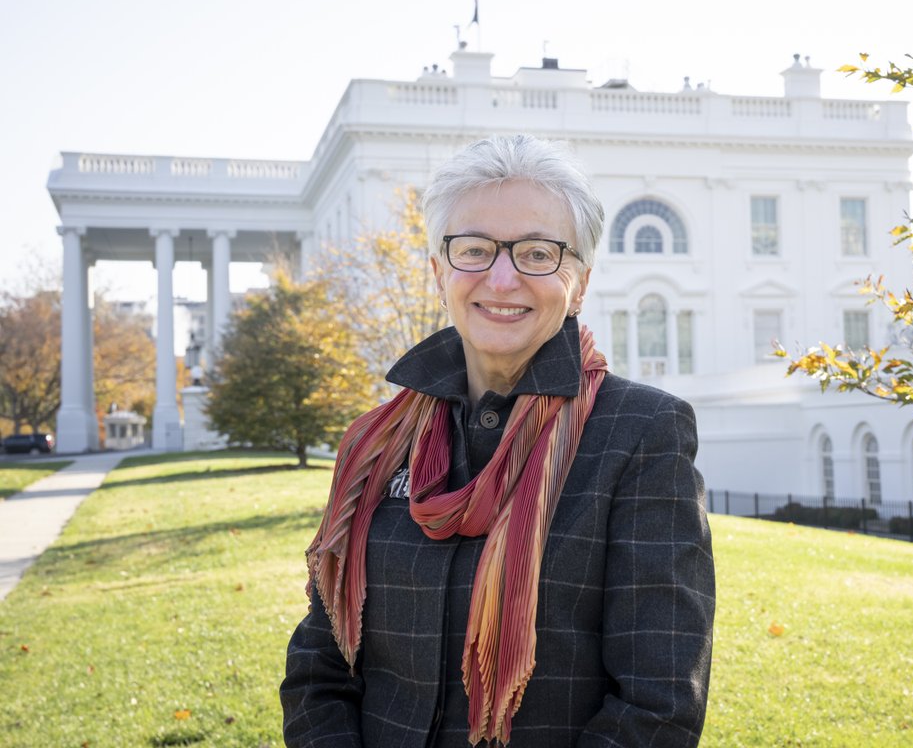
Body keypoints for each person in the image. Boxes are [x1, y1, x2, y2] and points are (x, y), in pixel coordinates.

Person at [281, 134, 716, 747]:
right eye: (475, 249)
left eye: (538, 252)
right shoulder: (376, 446)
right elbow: (318, 671)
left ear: (580, 281)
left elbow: (658, 706)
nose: (503, 278)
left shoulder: (641, 434)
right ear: (439, 271)